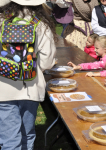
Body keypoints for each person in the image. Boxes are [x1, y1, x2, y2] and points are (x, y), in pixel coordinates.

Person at [0, 0, 56, 149]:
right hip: (30, 88)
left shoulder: (2, 21)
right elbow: (47, 62)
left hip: (3, 88)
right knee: (27, 134)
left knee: (9, 138)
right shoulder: (41, 24)